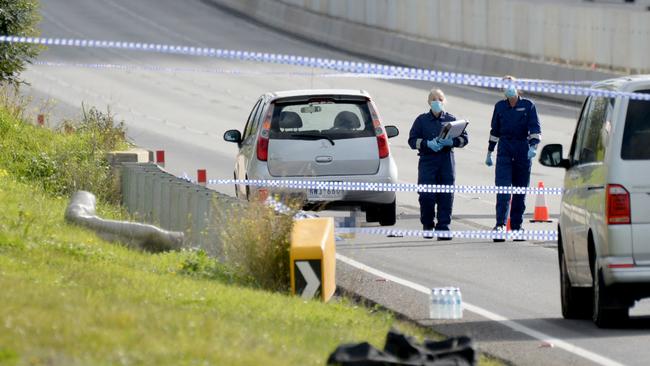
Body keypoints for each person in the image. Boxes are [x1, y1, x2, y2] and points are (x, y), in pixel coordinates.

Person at [485, 76, 541, 242]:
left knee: (519, 192)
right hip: (505, 150)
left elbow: (535, 129)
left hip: (523, 151)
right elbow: (495, 130)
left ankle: (516, 227)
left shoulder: (528, 106)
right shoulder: (500, 107)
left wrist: (533, 147)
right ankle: (500, 225)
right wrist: (489, 152)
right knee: (503, 189)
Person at [409, 88, 469, 240]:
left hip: (446, 161)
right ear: (429, 102)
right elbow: (411, 141)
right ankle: (428, 224)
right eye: (434, 99)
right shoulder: (421, 120)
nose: (437, 102)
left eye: (440, 99)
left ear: (445, 101)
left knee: (446, 196)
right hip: (427, 162)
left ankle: (443, 227)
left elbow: (464, 139)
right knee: (426, 195)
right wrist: (427, 143)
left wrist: (452, 141)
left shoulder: (452, 119)